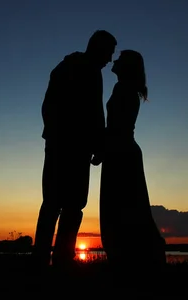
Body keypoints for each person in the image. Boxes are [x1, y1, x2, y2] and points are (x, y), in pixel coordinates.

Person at [32, 30, 117, 268]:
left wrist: (96, 145)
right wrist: (89, 143)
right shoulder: (73, 69)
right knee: (60, 205)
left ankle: (54, 259)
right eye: (109, 53)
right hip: (68, 148)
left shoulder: (69, 68)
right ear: (97, 48)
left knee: (64, 206)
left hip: (70, 148)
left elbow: (94, 114)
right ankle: (52, 260)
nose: (110, 60)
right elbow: (55, 108)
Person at [99, 50, 166, 270]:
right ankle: (142, 263)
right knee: (130, 209)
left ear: (126, 66)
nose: (114, 61)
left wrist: (102, 149)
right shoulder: (127, 88)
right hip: (123, 151)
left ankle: (130, 264)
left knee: (119, 210)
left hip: (120, 153)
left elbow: (117, 126)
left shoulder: (122, 88)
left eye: (119, 59)